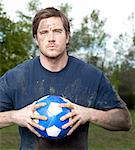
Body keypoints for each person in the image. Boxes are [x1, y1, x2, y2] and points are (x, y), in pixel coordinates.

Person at [0, 7, 132, 150]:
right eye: (44, 32)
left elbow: (124, 120)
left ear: (67, 36)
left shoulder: (91, 76)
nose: (51, 38)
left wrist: (90, 114)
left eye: (57, 31)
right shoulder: (16, 77)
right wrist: (14, 116)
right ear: (36, 39)